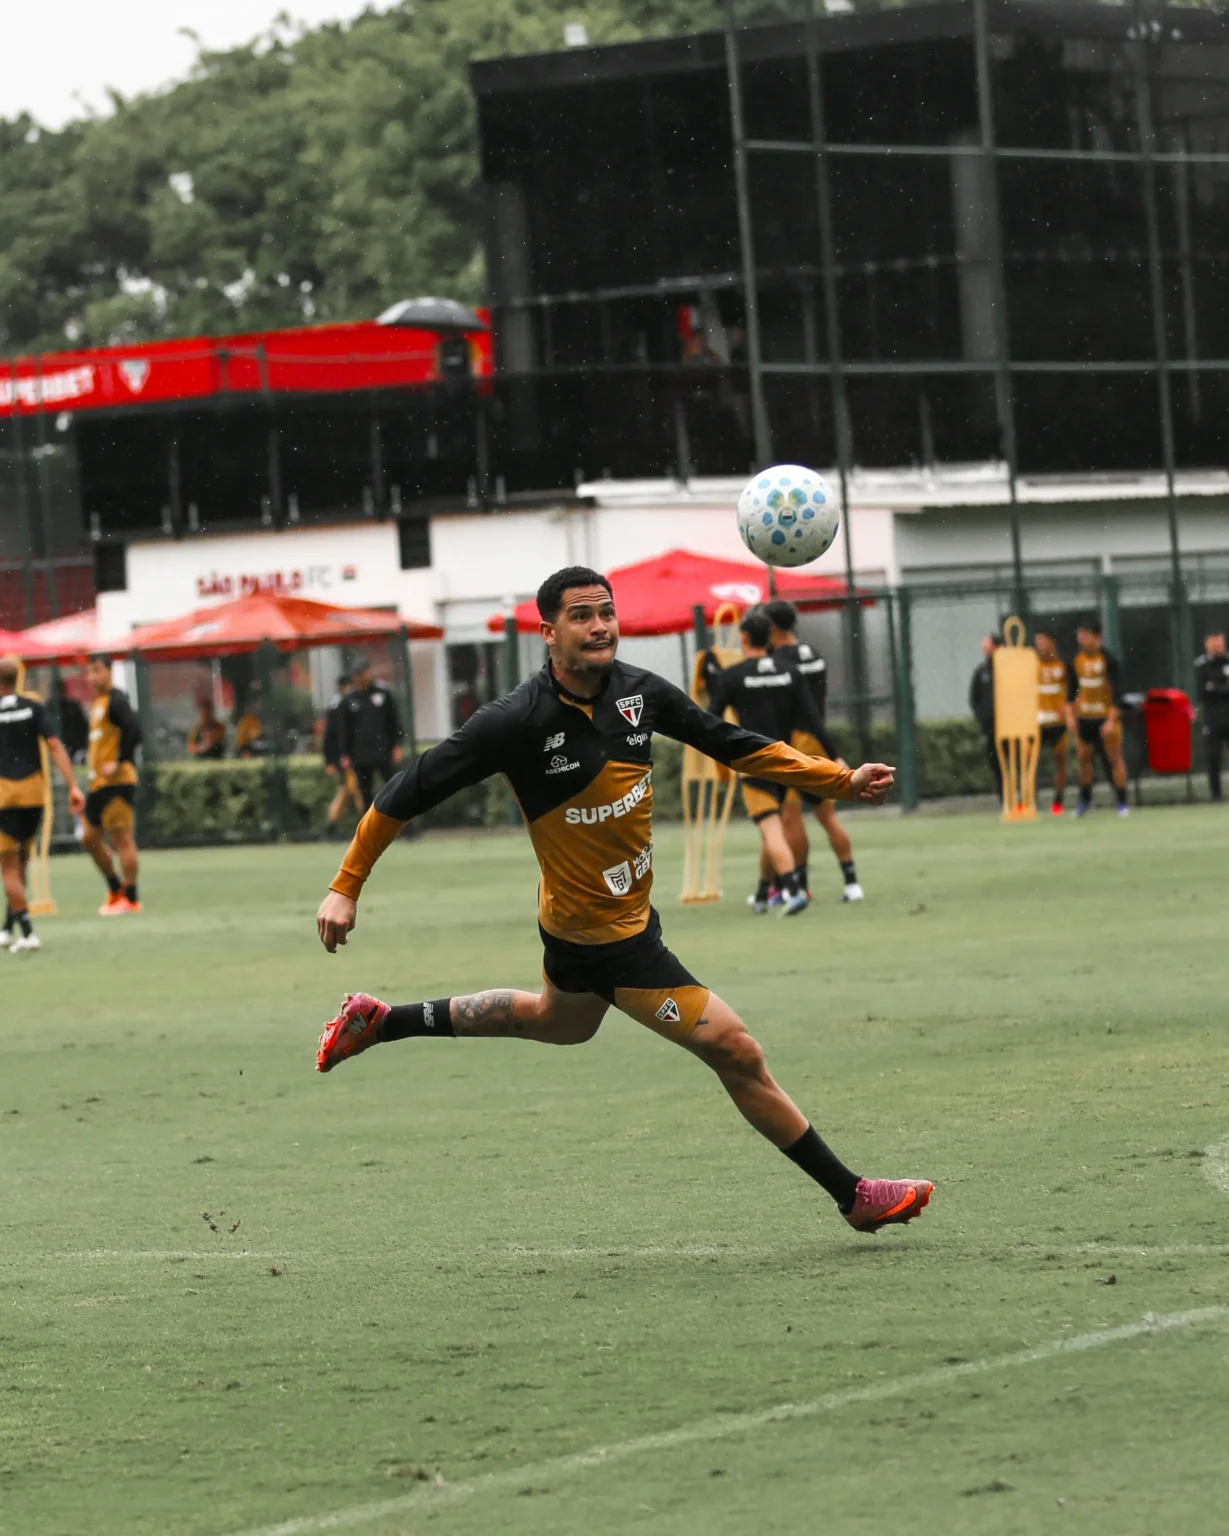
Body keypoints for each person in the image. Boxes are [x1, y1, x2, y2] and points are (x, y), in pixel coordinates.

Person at [314, 565, 933, 1236]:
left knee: (561, 1022)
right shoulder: (514, 721)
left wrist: (835, 781)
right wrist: (344, 887)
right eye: (581, 615)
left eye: (605, 611)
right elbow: (401, 795)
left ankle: (381, 1021)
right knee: (736, 1049)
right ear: (547, 632)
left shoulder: (638, 692)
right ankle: (854, 1195)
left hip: (604, 921)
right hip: (605, 942)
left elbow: (731, 744)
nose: (600, 625)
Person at [700, 608, 823, 917]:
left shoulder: (733, 676)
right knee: (779, 826)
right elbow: (810, 717)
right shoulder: (790, 671)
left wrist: (712, 678)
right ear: (769, 637)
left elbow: (711, 719)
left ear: (743, 637)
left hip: (753, 760)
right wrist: (830, 753)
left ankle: (793, 890)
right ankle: (762, 894)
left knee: (771, 830)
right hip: (787, 758)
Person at [764, 598, 863, 902]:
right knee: (826, 815)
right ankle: (852, 883)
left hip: (795, 743)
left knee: (790, 816)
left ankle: (801, 885)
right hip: (817, 740)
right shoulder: (814, 654)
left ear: (773, 627)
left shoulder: (778, 662)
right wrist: (832, 752)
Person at [0, 655, 85, 952]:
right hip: (34, 794)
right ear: (17, 679)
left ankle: (27, 933)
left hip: (4, 796)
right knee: (22, 858)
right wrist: (73, 785)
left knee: (8, 867)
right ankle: (6, 928)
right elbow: (54, 744)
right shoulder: (33, 706)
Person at [82, 654, 144, 914]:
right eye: (89, 671)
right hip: (98, 784)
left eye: (97, 670)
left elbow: (135, 731)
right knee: (89, 838)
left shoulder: (117, 700)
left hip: (117, 782)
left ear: (108, 672)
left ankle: (130, 898)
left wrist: (119, 761)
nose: (92, 676)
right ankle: (114, 887)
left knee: (122, 840)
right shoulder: (98, 703)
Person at [1066, 618, 1128, 818]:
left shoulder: (1109, 661)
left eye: (1085, 637)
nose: (1081, 641)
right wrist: (1070, 716)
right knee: (1084, 759)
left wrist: (1111, 721)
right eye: (1079, 637)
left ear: (1097, 637)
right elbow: (1070, 692)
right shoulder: (1076, 661)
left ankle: (1122, 803)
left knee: (1115, 760)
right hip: (1085, 718)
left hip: (1105, 718)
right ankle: (1084, 801)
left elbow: (1118, 695)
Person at [339, 658, 404, 809]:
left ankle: (404, 825)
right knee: (365, 792)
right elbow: (345, 729)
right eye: (360, 674)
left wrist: (396, 745)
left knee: (393, 787)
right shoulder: (349, 700)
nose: (364, 677)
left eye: (366, 673)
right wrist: (345, 753)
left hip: (383, 750)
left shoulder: (383, 693)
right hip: (360, 754)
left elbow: (393, 720)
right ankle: (370, 829)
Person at [1034, 625, 1070, 816]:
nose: (1040, 646)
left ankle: (1058, 802)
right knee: (1030, 762)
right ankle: (1031, 801)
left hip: (1058, 723)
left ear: (1052, 642)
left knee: (1060, 762)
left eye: (1043, 641)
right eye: (1037, 642)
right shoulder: (1032, 665)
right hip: (1037, 724)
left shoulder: (1062, 667)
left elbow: (1069, 694)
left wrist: (1064, 712)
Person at [323, 674, 363, 836]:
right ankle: (367, 822)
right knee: (357, 790)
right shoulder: (340, 705)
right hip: (345, 757)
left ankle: (331, 825)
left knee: (348, 790)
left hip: (346, 756)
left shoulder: (343, 704)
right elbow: (332, 735)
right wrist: (331, 760)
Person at [1194, 630, 1229, 803]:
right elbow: (1203, 690)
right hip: (1212, 719)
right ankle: (1216, 795)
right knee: (1213, 757)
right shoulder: (1202, 665)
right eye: (1215, 643)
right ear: (1208, 644)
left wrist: (1216, 687)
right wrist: (1221, 688)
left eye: (1221, 642)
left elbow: (1215, 689)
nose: (1219, 646)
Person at [968, 633, 1003, 800]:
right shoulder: (981, 671)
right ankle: (1005, 800)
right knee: (996, 763)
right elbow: (974, 698)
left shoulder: (1009, 669)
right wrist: (982, 717)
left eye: (988, 647)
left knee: (1016, 762)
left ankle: (1024, 799)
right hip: (990, 727)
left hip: (1009, 724)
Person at [234, 683, 267, 758]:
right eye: (258, 703)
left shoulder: (256, 718)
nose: (260, 706)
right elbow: (255, 738)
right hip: (245, 750)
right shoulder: (248, 719)